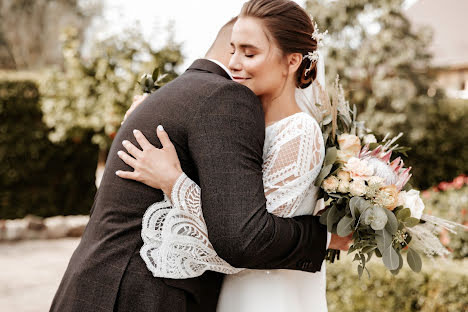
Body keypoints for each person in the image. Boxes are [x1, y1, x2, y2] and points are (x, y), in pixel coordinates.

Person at [50, 1, 350, 310]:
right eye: (232, 50)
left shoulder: (296, 128)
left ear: (292, 62)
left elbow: (247, 235)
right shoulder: (225, 110)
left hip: (257, 292)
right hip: (130, 292)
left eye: (249, 53)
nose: (234, 63)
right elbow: (239, 228)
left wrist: (174, 182)